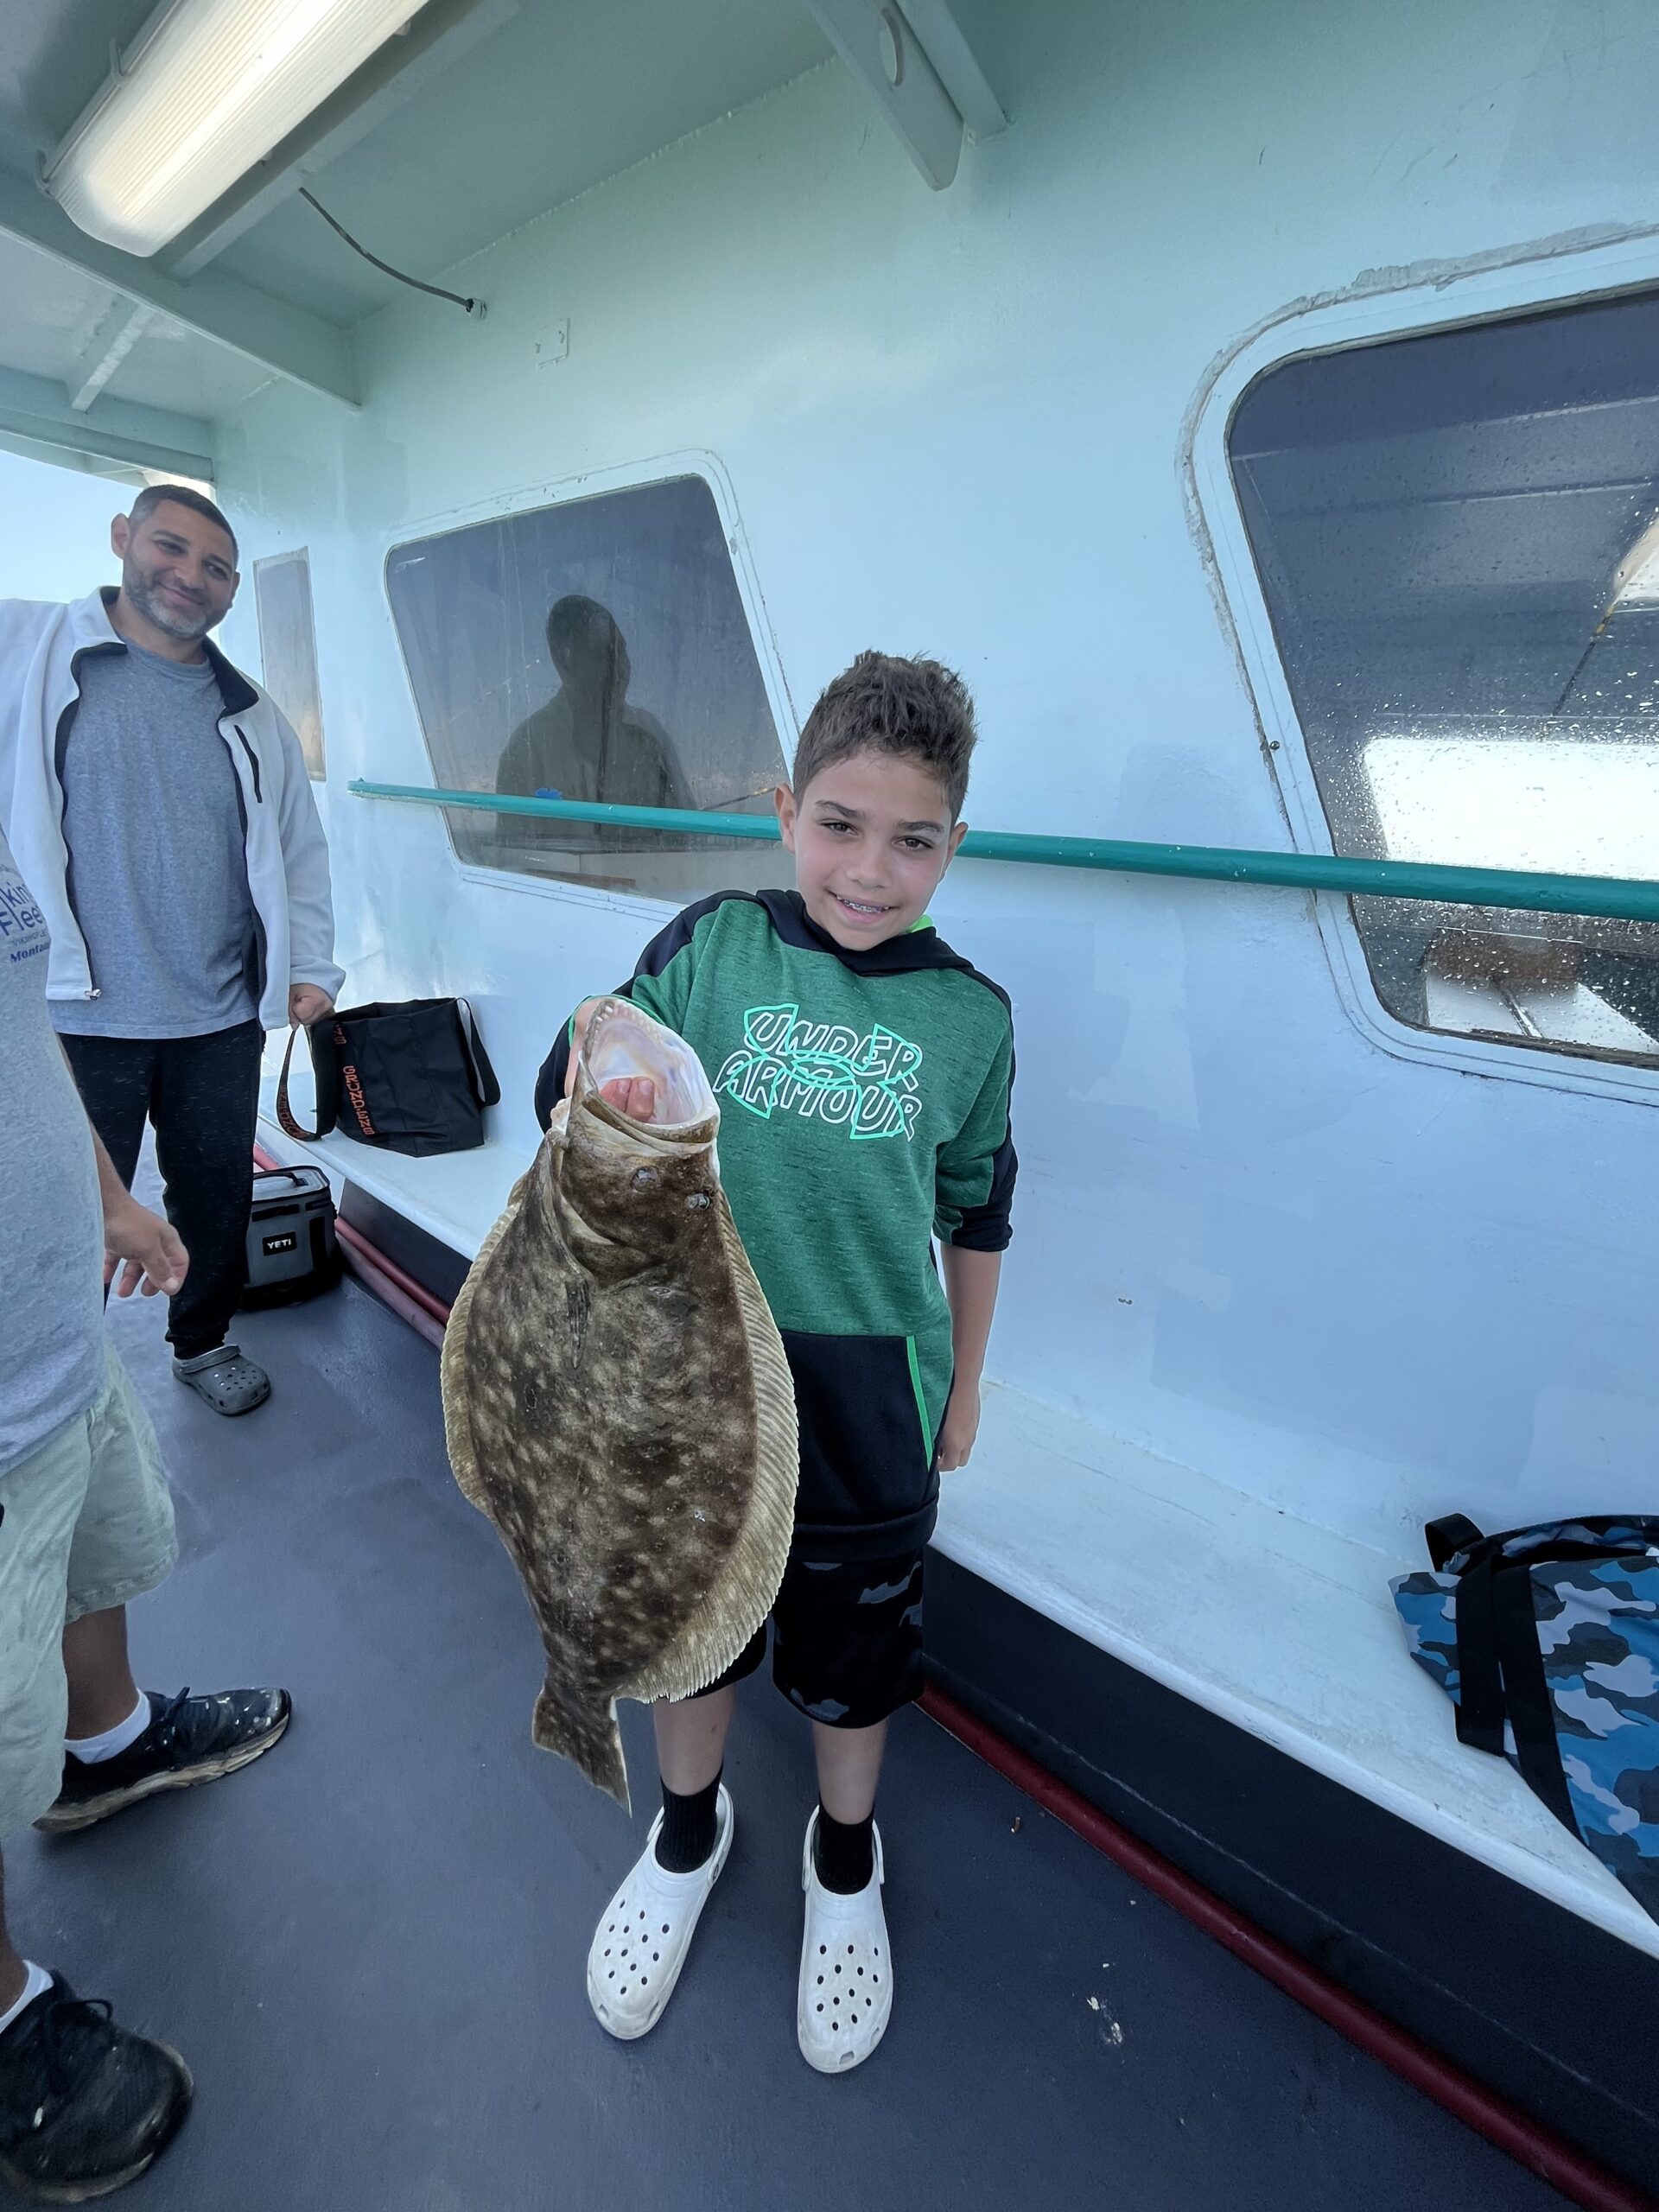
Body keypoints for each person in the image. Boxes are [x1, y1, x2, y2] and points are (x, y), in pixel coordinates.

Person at [534, 652, 1016, 2073]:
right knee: (698, 1622)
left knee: (855, 1656)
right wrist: (594, 1084)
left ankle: (845, 1855)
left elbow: (979, 1211)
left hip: (873, 1402)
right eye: (840, 826)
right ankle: (689, 1829)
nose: (871, 870)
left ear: (954, 846)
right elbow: (593, 1079)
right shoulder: (713, 947)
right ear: (786, 810)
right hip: (696, 1379)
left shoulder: (972, 1018)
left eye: (913, 839)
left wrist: (968, 1383)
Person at [0, 822, 291, 2202]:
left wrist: (108, 1195)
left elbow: (16, 1019)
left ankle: (104, 1745)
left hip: (50, 1346)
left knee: (95, 1547)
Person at [0, 485, 345, 1418]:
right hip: (74, 1011)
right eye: (170, 547)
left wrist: (310, 964)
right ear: (122, 539)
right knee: (61, 1214)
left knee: (215, 1196)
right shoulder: (24, 648)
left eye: (216, 567)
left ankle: (202, 1340)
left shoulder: (254, 715)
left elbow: (299, 853)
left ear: (233, 592)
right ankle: (59, 1380)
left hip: (217, 1013)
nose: (189, 575)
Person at [496, 594, 690, 814]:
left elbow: (688, 832)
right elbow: (510, 846)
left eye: (622, 652)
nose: (620, 668)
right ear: (565, 662)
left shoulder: (651, 733)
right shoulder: (526, 752)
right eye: (604, 654)